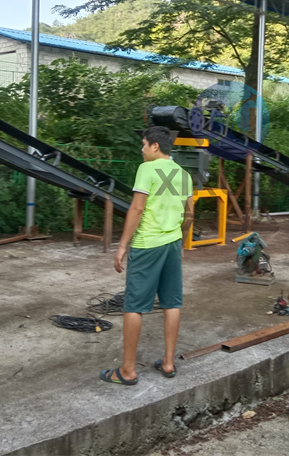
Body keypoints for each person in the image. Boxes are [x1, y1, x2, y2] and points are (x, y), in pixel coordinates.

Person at [101, 126, 194, 385]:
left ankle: (128, 370)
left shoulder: (147, 169)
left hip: (147, 244)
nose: (142, 150)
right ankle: (168, 363)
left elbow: (137, 208)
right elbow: (189, 214)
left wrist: (122, 245)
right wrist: (181, 242)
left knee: (134, 305)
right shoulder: (184, 174)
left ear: (155, 146)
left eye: (144, 144)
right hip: (172, 244)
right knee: (172, 302)